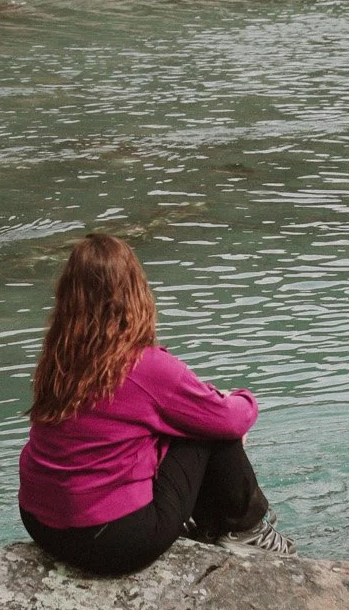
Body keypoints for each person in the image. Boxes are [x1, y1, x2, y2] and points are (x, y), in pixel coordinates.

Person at [18, 232, 293, 578]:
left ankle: (213, 525)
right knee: (208, 428)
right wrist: (237, 398)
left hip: (42, 524)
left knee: (181, 420)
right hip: (111, 542)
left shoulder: (58, 358)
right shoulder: (144, 366)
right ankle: (249, 531)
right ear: (135, 294)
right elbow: (232, 421)